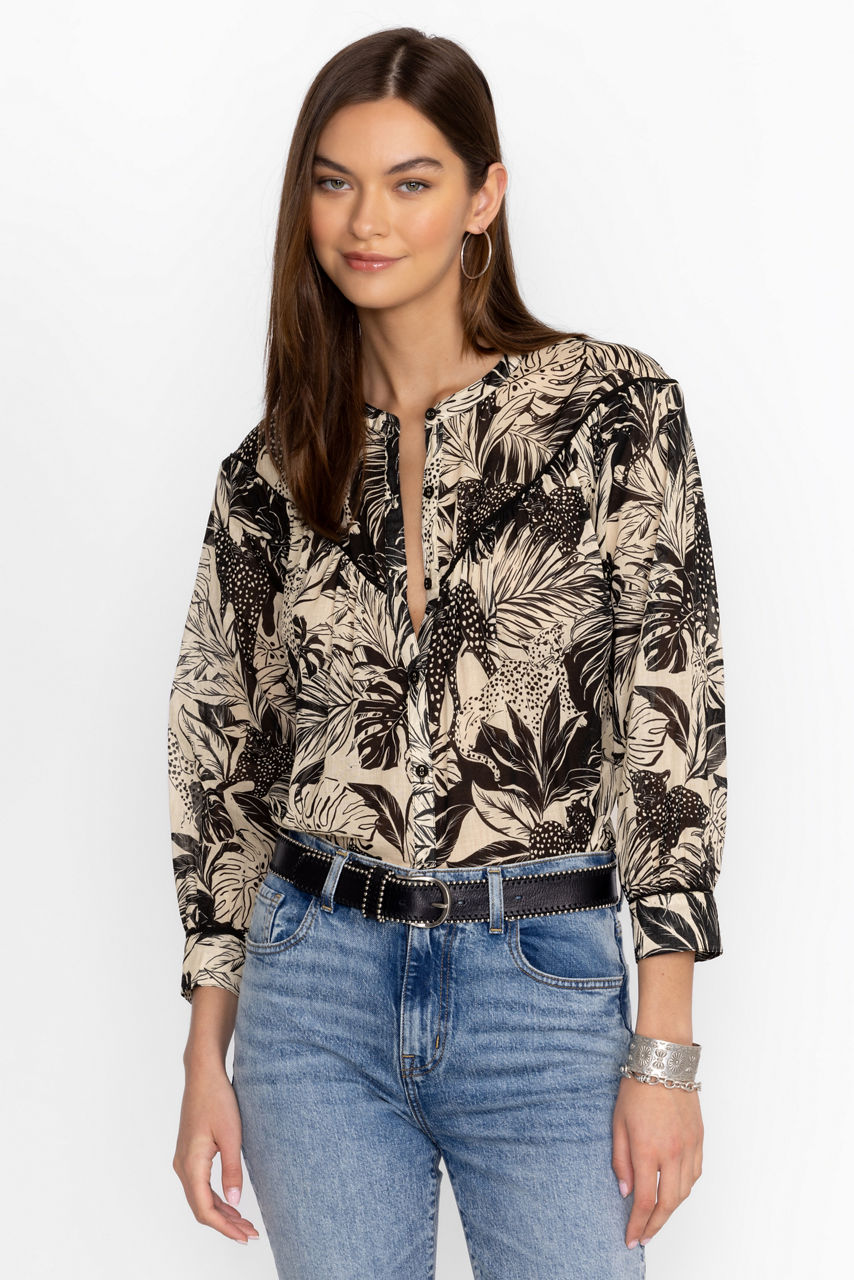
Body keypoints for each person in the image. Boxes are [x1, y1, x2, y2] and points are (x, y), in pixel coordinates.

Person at [168, 26, 727, 1280]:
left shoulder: (610, 411)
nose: (365, 219)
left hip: (543, 987)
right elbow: (220, 755)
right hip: (312, 995)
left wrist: (664, 1051)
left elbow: (671, 727)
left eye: (409, 181)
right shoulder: (269, 469)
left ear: (483, 196)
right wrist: (207, 1049)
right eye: (333, 181)